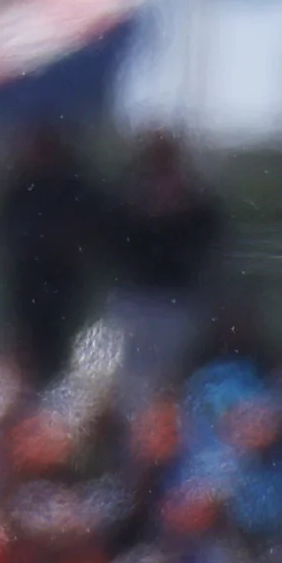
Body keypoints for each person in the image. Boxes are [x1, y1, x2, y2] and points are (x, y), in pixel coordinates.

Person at [102, 130, 227, 404]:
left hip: (177, 298)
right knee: (131, 375)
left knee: (172, 372)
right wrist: (145, 211)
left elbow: (208, 238)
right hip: (136, 296)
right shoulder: (128, 196)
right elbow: (111, 241)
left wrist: (181, 208)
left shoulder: (195, 197)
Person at [0, 123, 106, 387]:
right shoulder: (20, 186)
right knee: (28, 340)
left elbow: (95, 229)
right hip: (27, 279)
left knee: (64, 341)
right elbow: (0, 227)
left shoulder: (75, 186)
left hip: (66, 281)